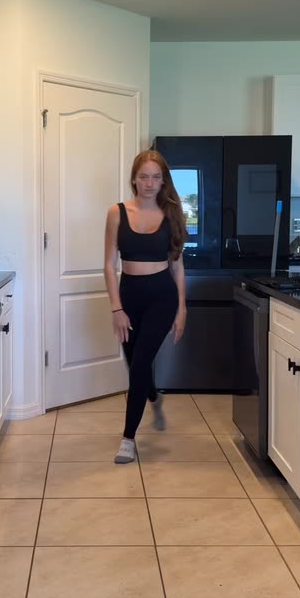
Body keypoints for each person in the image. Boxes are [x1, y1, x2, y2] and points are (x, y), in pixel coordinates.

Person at [104, 149, 187, 464]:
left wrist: (182, 309)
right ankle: (152, 395)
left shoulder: (171, 214)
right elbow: (109, 265)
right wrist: (116, 309)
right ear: (134, 179)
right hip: (129, 296)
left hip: (162, 297)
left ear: (163, 181)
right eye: (144, 177)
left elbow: (177, 266)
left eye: (156, 177)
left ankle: (128, 439)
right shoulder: (116, 213)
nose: (150, 183)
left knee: (139, 365)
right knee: (135, 362)